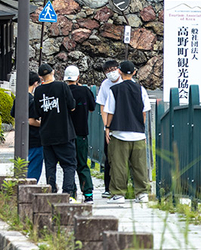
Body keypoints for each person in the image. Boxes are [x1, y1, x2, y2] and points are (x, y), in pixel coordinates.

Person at [102, 59, 151, 202]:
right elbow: (144, 112)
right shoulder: (141, 89)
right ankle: (142, 193)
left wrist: (107, 128)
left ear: (119, 72)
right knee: (139, 165)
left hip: (119, 132)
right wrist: (140, 128)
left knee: (118, 165)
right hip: (138, 133)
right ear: (134, 72)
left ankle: (118, 194)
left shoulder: (114, 90)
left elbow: (110, 111)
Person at [33, 63, 78, 196]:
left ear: (41, 77)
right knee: (69, 164)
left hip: (46, 133)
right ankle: (68, 192)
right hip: (64, 132)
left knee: (50, 166)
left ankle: (51, 190)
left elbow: (38, 112)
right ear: (53, 72)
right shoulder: (62, 86)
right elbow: (72, 106)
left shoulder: (38, 91)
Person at [64, 65, 96, 203]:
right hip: (81, 133)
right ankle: (88, 193)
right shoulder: (85, 91)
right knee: (82, 164)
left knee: (68, 165)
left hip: (65, 134)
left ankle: (72, 192)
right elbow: (92, 108)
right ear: (78, 77)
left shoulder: (62, 91)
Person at [95, 59, 121, 194]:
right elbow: (102, 106)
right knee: (109, 158)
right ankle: (108, 188)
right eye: (108, 71)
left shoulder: (127, 82)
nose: (111, 73)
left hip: (124, 124)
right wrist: (106, 126)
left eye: (113, 69)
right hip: (110, 126)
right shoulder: (105, 85)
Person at [26, 71, 44, 182]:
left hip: (23, 136)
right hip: (35, 137)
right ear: (35, 83)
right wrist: (43, 124)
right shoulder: (32, 100)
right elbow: (31, 121)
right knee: (34, 164)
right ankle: (31, 185)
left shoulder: (19, 97)